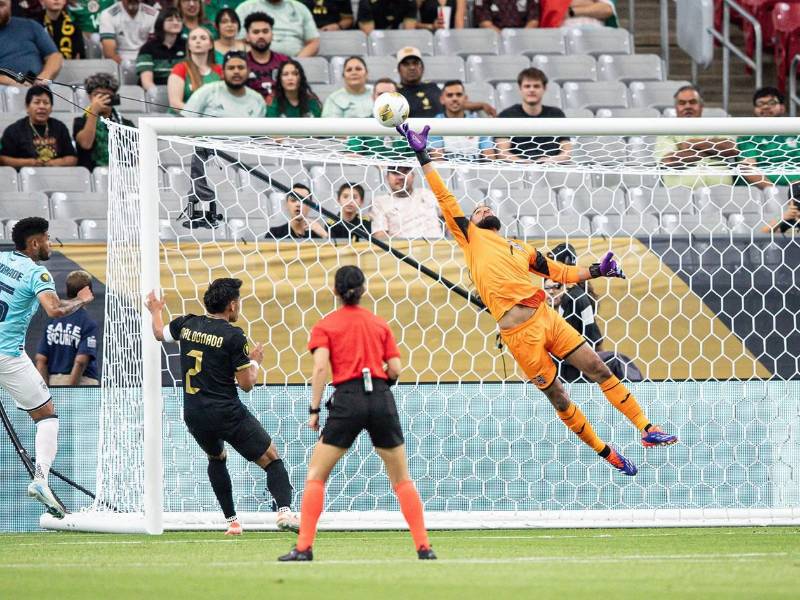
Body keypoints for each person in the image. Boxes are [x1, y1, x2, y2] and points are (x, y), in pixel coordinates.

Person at [396, 122, 679, 476]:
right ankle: (609, 454)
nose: (482, 209)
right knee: (559, 396)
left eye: (485, 207)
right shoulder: (469, 237)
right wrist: (422, 155)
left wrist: (597, 270)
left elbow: (559, 273)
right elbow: (444, 197)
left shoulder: (521, 248)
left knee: (599, 367)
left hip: (546, 317)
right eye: (479, 208)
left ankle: (647, 429)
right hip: (520, 336)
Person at [278, 265, 435, 561]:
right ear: (363, 290)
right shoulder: (379, 324)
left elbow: (321, 368)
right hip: (381, 397)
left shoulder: (326, 326)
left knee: (316, 475)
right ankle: (423, 547)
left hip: (347, 399)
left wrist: (314, 410)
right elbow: (397, 368)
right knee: (402, 478)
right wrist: (380, 385)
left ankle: (303, 548)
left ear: (335, 291)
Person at [145, 278, 300, 535]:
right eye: (238, 303)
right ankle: (284, 511)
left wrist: (155, 310)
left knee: (216, 457)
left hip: (194, 413)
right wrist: (255, 363)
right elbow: (247, 384)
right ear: (231, 305)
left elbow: (159, 333)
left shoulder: (187, 323)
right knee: (272, 458)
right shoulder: (233, 336)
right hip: (226, 411)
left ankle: (232, 523)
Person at [0, 218, 95, 519]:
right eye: (48, 239)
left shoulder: (2, 260)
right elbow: (53, 310)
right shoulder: (36, 272)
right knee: (47, 417)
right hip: (7, 356)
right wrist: (80, 301)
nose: (51, 244)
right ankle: (41, 479)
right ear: (35, 243)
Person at [182, 51, 266, 228]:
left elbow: (257, 137)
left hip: (244, 160)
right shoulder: (207, 92)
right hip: (209, 160)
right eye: (231, 68)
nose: (236, 71)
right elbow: (185, 126)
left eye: (240, 67)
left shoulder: (257, 100)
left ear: (248, 70)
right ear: (223, 71)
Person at [657, 85, 769, 190]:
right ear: (676, 107)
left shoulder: (716, 126)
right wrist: (711, 150)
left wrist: (693, 144)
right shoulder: (667, 131)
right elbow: (670, 160)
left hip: (723, 194)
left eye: (692, 102)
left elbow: (731, 149)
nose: (687, 106)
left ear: (701, 106)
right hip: (680, 194)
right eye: (682, 103)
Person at [35, 270, 100, 387]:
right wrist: (70, 390)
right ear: (89, 292)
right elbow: (80, 361)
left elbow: (41, 359)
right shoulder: (88, 323)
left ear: (67, 290)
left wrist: (45, 390)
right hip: (81, 383)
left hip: (53, 381)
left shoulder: (53, 322)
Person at [495, 67, 571, 163]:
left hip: (552, 169)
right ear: (520, 89)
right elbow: (502, 153)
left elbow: (567, 151)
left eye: (536, 86)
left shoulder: (556, 114)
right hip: (519, 171)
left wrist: (552, 160)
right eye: (527, 86)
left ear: (544, 88)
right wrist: (525, 163)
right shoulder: (507, 115)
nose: (531, 90)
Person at [396, 47, 495, 119]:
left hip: (440, 137)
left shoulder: (431, 86)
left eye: (415, 63)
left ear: (422, 67)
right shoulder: (395, 93)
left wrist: (481, 105)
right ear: (399, 69)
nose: (412, 67)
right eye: (406, 64)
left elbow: (451, 102)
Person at [0, 86, 77, 169]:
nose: (42, 106)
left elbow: (72, 159)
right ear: (27, 107)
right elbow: (3, 160)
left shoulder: (60, 127)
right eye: (37, 102)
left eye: (46, 103)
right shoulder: (14, 130)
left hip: (56, 178)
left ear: (51, 108)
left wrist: (52, 163)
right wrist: (29, 163)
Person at [73, 73, 135, 171]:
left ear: (114, 98)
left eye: (107, 95)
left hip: (122, 175)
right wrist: (94, 111)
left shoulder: (126, 124)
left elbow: (136, 154)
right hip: (92, 174)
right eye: (97, 95)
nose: (102, 99)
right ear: (90, 97)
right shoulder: (80, 122)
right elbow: (85, 144)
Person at [0, 0, 63, 88]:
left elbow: (55, 56)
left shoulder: (30, 26)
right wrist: (7, 80)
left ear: (10, 4)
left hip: (37, 88)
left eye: (1, 5)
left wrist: (44, 76)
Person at [370, 165, 444, 240]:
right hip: (402, 248)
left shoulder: (428, 194)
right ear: (387, 178)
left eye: (405, 172)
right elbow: (380, 235)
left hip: (438, 246)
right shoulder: (380, 202)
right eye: (395, 173)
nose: (401, 177)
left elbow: (450, 216)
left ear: (413, 176)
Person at [345, 78, 412, 157]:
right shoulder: (361, 125)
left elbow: (416, 159)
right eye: (380, 94)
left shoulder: (410, 127)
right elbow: (350, 156)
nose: (385, 98)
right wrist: (378, 166)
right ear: (373, 97)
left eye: (390, 94)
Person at [429, 80, 494, 161]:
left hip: (476, 172)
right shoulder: (435, 124)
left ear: (465, 98)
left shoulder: (478, 124)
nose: (454, 98)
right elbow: (438, 160)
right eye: (450, 95)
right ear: (442, 100)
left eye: (459, 95)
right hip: (447, 173)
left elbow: (490, 158)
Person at [236, 0, 320, 57]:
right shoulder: (246, 7)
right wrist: (259, 58)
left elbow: (314, 42)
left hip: (295, 64)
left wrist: (297, 62)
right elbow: (237, 43)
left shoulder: (300, 8)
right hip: (256, 63)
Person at [168, 26, 221, 112]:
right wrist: (199, 115)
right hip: (181, 120)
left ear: (211, 45)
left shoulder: (219, 70)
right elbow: (175, 103)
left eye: (203, 38)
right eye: (193, 38)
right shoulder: (180, 68)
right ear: (189, 45)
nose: (198, 41)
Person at [136, 7, 186, 91]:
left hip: (181, 91)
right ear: (160, 23)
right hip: (156, 94)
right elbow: (147, 83)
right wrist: (160, 96)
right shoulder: (147, 48)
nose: (175, 23)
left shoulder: (187, 46)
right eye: (170, 20)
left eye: (179, 20)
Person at [244, 11, 289, 101]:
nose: (261, 36)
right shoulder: (240, 63)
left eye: (265, 31)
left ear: (272, 35)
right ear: (247, 37)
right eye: (256, 32)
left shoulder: (285, 61)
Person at [539, 0, 618, 28]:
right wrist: (591, 3)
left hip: (597, 32)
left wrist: (571, 11)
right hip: (562, 34)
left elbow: (607, 9)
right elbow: (553, 7)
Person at [474, 0, 538, 32]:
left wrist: (520, 37)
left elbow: (533, 21)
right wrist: (504, 39)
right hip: (493, 39)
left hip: (523, 38)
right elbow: (484, 23)